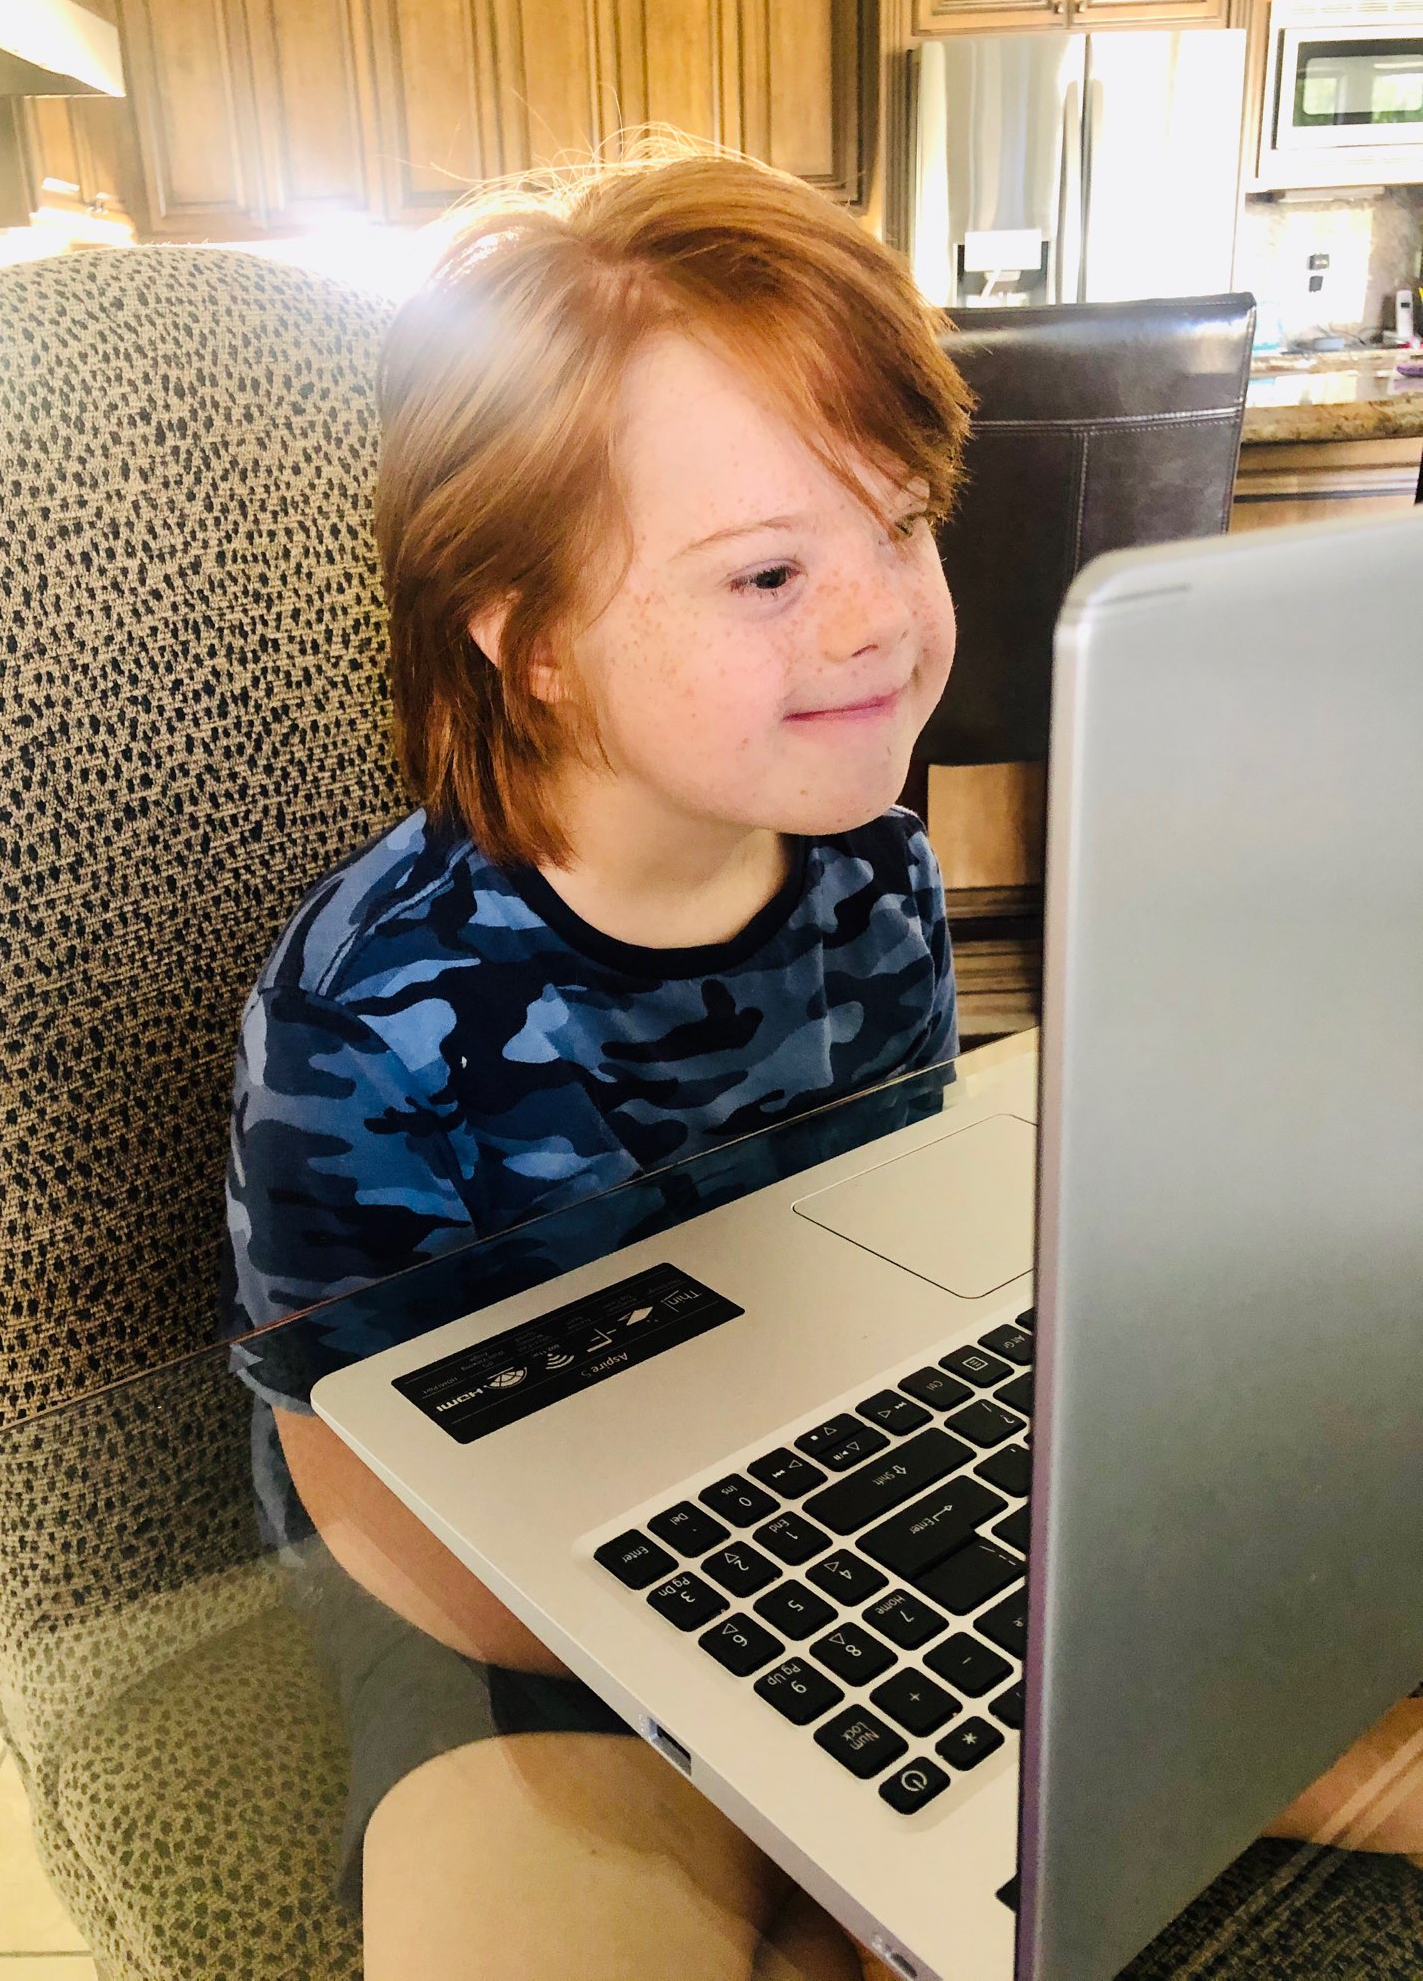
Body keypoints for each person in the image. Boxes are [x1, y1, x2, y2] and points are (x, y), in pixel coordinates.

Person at [224, 141, 1422, 1978]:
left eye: (904, 524)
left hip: (850, 1483)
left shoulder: (872, 872)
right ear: (530, 643)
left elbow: (903, 1234)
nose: (882, 620)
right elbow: (355, 1477)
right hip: (501, 1606)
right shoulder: (370, 1005)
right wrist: (733, 1681)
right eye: (770, 572)